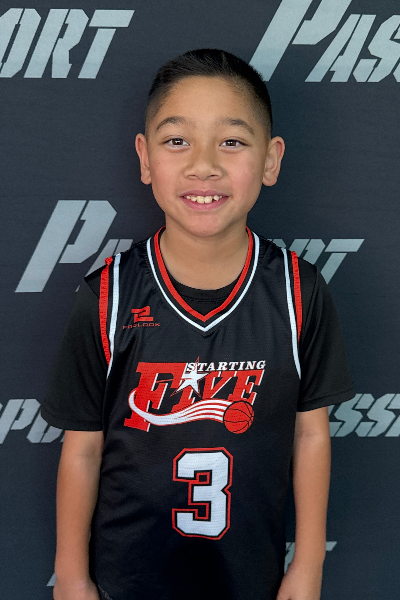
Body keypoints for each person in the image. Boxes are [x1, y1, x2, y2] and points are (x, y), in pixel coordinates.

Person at [41, 48, 355, 600]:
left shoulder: (298, 292)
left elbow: (310, 434)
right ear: (145, 159)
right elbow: (83, 449)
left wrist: (308, 565)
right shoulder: (108, 297)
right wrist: (70, 574)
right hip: (128, 581)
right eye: (176, 140)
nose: (203, 165)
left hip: (249, 579)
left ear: (270, 160)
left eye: (231, 141)